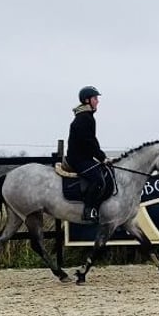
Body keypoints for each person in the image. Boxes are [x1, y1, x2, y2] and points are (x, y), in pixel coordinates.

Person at [66, 86, 111, 223]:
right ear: (87, 100)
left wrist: (101, 156)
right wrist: (102, 157)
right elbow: (89, 142)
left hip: (84, 157)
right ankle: (88, 210)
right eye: (95, 98)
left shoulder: (86, 116)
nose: (97, 101)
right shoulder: (85, 118)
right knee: (98, 180)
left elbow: (92, 142)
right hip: (78, 159)